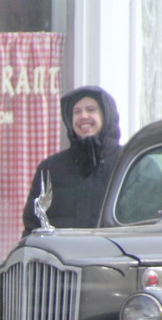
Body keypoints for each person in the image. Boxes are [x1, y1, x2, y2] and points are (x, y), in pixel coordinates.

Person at [22, 85, 122, 235]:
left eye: (91, 109)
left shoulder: (129, 163)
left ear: (106, 115)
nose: (83, 116)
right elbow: (33, 227)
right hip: (62, 251)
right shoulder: (50, 169)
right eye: (77, 112)